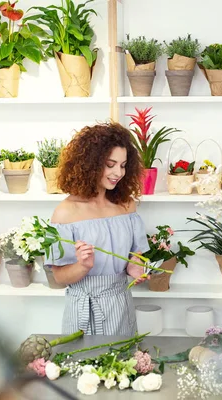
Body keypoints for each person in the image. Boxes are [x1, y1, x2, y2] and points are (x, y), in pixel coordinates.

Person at [45, 122, 150, 336]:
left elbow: (134, 256)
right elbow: (60, 277)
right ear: (90, 164)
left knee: (126, 365)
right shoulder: (64, 213)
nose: (117, 172)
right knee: (85, 368)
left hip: (121, 306)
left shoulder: (126, 206)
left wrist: (136, 268)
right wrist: (83, 265)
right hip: (83, 309)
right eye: (110, 164)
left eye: (122, 165)